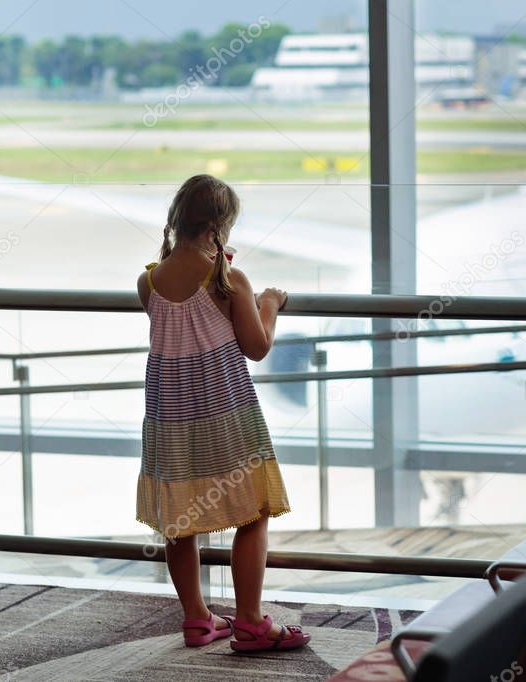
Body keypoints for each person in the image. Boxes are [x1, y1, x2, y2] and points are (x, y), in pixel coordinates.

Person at [136, 174, 309, 652]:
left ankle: (197, 618)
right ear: (219, 226)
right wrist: (268, 303)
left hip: (170, 417)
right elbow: (256, 347)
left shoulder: (147, 281)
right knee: (253, 512)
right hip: (224, 411)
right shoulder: (229, 279)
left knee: (180, 520)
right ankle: (251, 621)